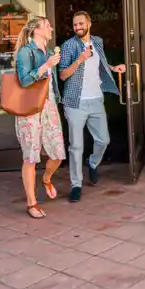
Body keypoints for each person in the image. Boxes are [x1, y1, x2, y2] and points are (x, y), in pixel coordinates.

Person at [59, 11, 126, 203]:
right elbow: (63, 75)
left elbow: (100, 63)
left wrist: (113, 68)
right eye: (75, 25)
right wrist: (79, 59)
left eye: (81, 24)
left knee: (103, 140)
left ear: (89, 24)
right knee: (76, 146)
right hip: (75, 102)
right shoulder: (68, 46)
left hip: (96, 99)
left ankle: (93, 162)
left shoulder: (97, 41)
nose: (77, 27)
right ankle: (76, 185)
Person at [13, 17, 64, 219]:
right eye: (47, 25)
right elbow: (24, 81)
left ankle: (46, 178)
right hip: (30, 110)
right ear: (36, 30)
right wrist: (45, 66)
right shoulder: (26, 52)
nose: (51, 28)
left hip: (49, 106)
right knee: (31, 156)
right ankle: (31, 203)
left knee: (58, 154)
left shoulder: (50, 52)